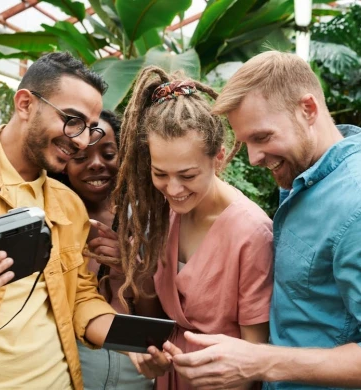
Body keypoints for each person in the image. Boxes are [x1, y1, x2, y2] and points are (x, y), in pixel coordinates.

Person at [164, 50, 361, 390]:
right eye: (245, 142)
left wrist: (262, 361)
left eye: (262, 137)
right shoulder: (308, 172)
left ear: (308, 110)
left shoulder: (354, 205)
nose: (254, 158)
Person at [105, 66, 274, 390]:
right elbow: (157, 319)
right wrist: (149, 355)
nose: (173, 189)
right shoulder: (162, 214)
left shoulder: (251, 234)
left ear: (219, 159)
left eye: (187, 175)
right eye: (160, 173)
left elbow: (254, 356)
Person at [0, 52, 117, 390]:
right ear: (25, 104)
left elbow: (79, 292)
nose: (81, 141)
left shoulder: (69, 204)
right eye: (72, 119)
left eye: (90, 129)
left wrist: (130, 341)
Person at [57, 109, 153, 389]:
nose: (97, 164)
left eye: (108, 154)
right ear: (63, 163)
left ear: (123, 157)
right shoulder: (54, 220)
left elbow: (155, 317)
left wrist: (130, 273)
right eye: (81, 157)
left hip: (135, 373)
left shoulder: (147, 221)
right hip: (70, 371)